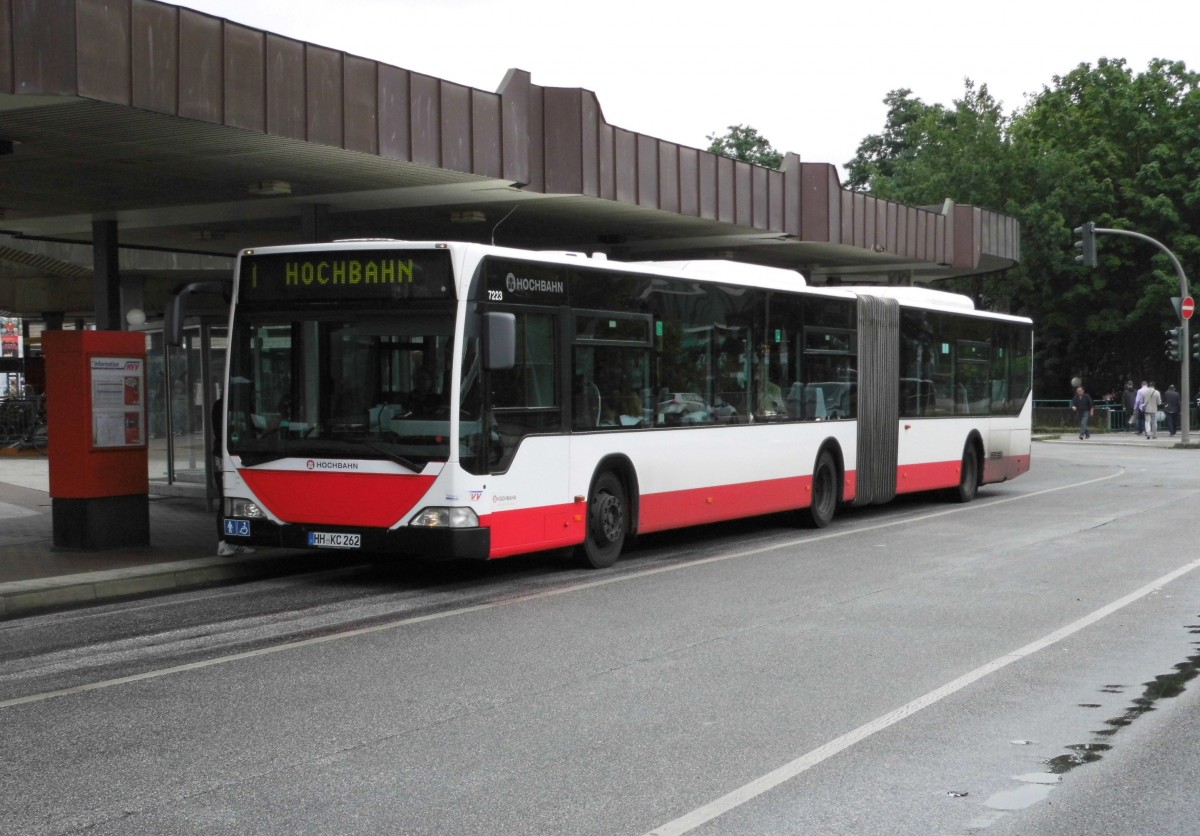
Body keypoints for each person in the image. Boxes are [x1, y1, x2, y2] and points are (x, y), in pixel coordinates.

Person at [212, 397, 255, 557]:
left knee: (239, 498)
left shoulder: (240, 403)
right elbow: (220, 432)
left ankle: (236, 540)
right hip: (223, 457)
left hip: (239, 454)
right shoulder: (220, 406)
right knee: (225, 499)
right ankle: (222, 543)